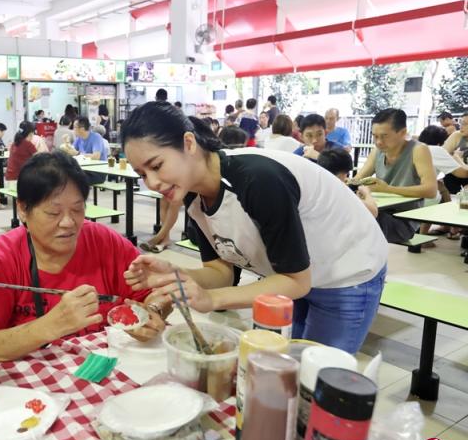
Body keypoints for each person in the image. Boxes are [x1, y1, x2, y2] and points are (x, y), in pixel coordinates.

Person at [121, 101, 388, 353]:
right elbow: (221, 271)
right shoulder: (192, 192)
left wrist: (212, 300)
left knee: (316, 377)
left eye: (156, 166)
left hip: (347, 269)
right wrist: (176, 274)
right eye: (142, 174)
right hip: (295, 272)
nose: (152, 183)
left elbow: (297, 281)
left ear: (189, 143)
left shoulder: (258, 180)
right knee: (286, 363)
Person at [0, 152, 167, 362]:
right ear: (22, 209)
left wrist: (152, 311)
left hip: (104, 372)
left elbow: (157, 294)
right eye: (53, 212)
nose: (68, 222)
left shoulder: (104, 241)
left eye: (77, 209)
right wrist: (50, 326)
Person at [352, 109, 437, 244]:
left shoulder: (418, 150)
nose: (379, 142)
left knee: (356, 217)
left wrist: (387, 189)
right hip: (380, 210)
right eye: (375, 136)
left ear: (403, 133)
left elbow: (431, 190)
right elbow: (358, 179)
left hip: (403, 222)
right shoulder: (377, 151)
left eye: (384, 136)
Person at [141, 117, 216, 254]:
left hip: (189, 179)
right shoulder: (173, 140)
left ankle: (159, 237)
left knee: (174, 203)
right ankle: (165, 238)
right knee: (164, 202)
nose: (151, 183)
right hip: (181, 178)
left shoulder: (198, 145)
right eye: (143, 175)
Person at [317, 148, 378, 218]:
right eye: (347, 174)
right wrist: (367, 193)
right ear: (343, 174)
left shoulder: (316, 189)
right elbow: (373, 211)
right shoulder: (338, 193)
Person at [442, 112, 468, 194]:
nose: (461, 127)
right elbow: (442, 155)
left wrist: (457, 158)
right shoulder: (457, 135)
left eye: (465, 124)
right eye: (461, 123)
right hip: (455, 177)